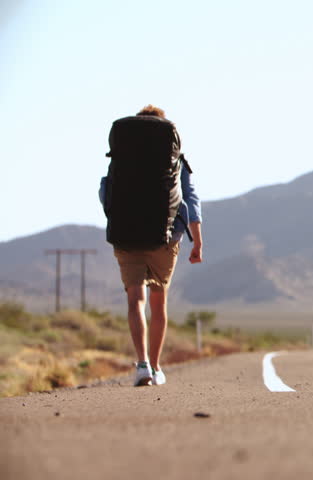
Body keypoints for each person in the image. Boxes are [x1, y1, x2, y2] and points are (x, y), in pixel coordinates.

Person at [99, 104, 203, 387]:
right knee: (158, 301)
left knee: (135, 300)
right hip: (164, 240)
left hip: (126, 236)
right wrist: (197, 241)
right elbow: (191, 200)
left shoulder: (123, 156)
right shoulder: (174, 159)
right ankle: (156, 368)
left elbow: (105, 190)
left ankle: (142, 365)